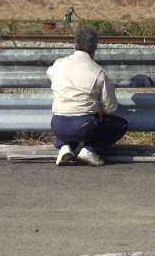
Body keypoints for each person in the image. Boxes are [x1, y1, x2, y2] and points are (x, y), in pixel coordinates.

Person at [47, 29, 128, 166]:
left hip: (57, 124)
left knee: (67, 120)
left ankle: (65, 146)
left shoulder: (58, 64)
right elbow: (110, 107)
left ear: (74, 45)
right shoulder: (99, 72)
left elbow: (50, 74)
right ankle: (90, 150)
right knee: (121, 124)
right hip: (83, 126)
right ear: (95, 49)